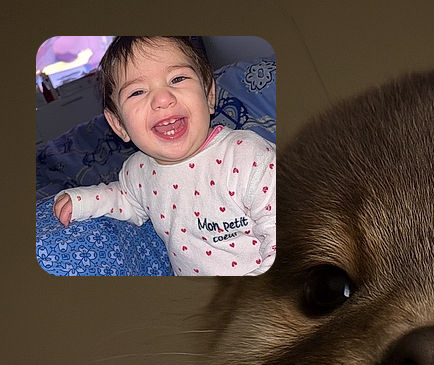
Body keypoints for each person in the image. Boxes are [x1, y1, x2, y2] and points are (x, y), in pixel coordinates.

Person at [52, 36, 275, 276]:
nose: (162, 99)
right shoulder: (137, 170)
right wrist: (84, 200)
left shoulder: (248, 156)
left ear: (209, 94)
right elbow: (125, 199)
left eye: (177, 79)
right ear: (118, 124)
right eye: (137, 92)